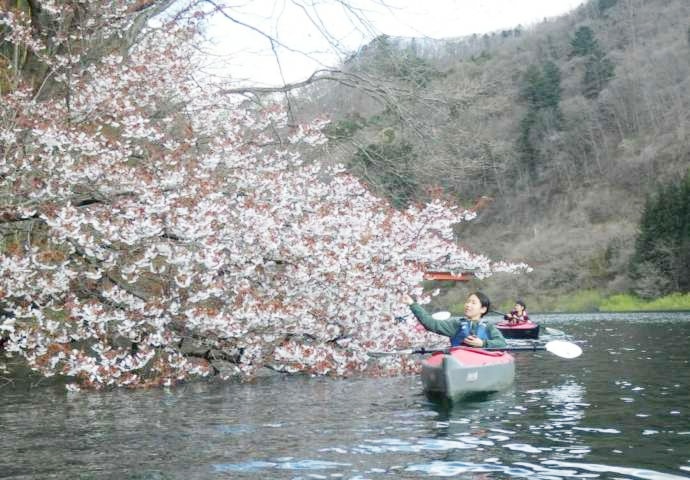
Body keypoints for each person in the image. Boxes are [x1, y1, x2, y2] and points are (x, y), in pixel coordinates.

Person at [402, 291, 507, 348]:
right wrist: (412, 304)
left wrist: (483, 344)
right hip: (459, 360)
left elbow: (501, 343)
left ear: (483, 309)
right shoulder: (456, 324)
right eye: (468, 302)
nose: (468, 305)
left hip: (483, 360)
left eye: (473, 303)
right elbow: (430, 323)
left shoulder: (489, 327)